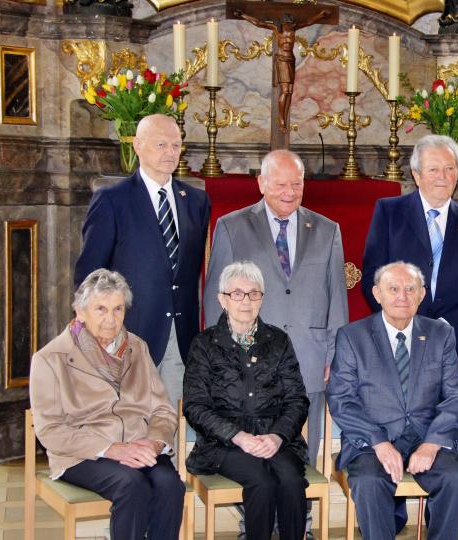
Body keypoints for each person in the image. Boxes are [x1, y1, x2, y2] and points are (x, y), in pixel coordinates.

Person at [204, 148, 347, 472]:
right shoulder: (232, 226)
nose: (289, 192)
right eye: (281, 184)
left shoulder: (327, 230)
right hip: (249, 357)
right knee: (252, 447)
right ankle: (252, 517)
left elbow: (337, 297)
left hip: (309, 358)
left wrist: (333, 353)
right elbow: (215, 296)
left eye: (296, 184)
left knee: (304, 447)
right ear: (261, 183)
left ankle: (302, 515)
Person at [29, 269, 184, 540]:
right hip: (83, 454)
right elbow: (51, 430)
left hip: (139, 447)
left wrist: (154, 443)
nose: (111, 320)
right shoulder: (50, 358)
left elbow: (162, 408)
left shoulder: (138, 347)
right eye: (100, 309)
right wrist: (112, 450)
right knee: (132, 485)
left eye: (118, 309)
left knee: (170, 485)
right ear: (80, 311)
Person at [74, 114, 211, 406]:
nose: (170, 152)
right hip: (126, 334)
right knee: (129, 423)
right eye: (161, 144)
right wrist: (93, 328)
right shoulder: (113, 200)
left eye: (176, 145)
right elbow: (89, 273)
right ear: (137, 145)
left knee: (169, 425)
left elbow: (192, 272)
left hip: (180, 336)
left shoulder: (196, 201)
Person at [328, 262, 458, 540]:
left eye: (410, 289)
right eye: (393, 289)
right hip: (372, 441)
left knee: (456, 479)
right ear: (376, 293)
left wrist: (432, 443)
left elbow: (454, 395)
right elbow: (341, 399)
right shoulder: (352, 336)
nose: (402, 296)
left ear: (422, 294)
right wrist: (379, 442)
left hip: (427, 437)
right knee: (369, 481)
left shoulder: (441, 334)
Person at [185, 261, 310, 540]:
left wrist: (277, 436)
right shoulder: (204, 344)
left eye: (254, 294)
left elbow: (297, 400)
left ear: (262, 299)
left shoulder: (278, 341)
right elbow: (195, 406)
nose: (246, 301)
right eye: (237, 294)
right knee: (262, 481)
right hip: (223, 443)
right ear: (222, 300)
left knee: (291, 481)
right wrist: (238, 436)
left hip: (274, 438)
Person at [362, 134, 458, 394]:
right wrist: (406, 323)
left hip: (454, 347)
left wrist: (444, 327)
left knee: (449, 432)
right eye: (433, 169)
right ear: (417, 174)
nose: (442, 177)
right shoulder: (389, 212)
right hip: (398, 343)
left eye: (449, 168)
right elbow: (372, 279)